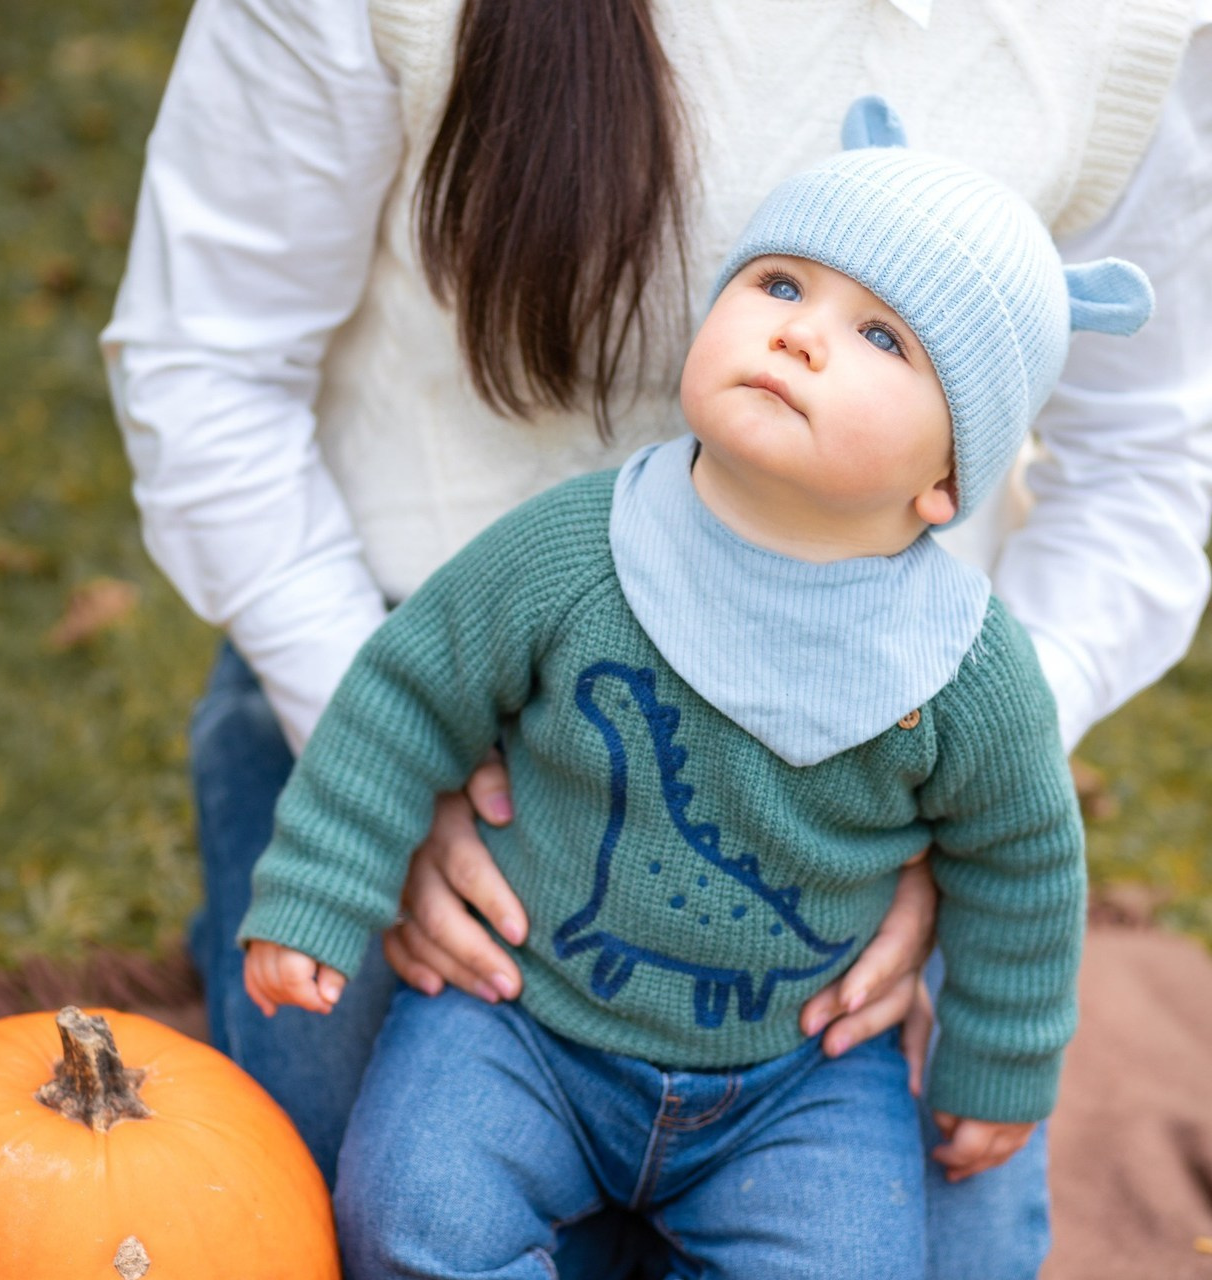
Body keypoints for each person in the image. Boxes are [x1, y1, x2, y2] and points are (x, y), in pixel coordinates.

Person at [102, 1, 1212, 1274]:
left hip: (811, 994)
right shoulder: (567, 551)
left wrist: (944, 867)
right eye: (779, 283)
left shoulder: (965, 676)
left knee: (925, 1250)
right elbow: (384, 661)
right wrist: (357, 845)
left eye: (878, 335)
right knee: (393, 1207)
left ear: (944, 481)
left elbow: (1025, 844)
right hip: (454, 789)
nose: (798, 331)